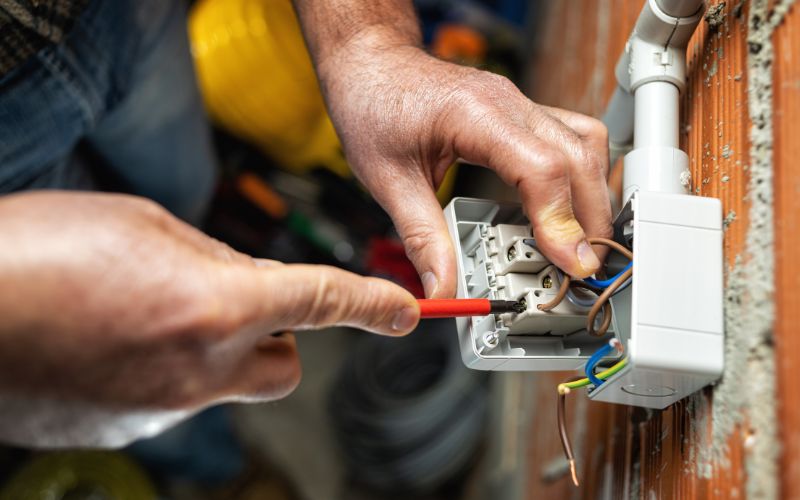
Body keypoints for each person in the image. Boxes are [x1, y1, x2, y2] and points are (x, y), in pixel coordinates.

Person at [0, 0, 612, 447]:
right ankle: (218, 465)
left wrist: (366, 42)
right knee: (143, 363)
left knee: (182, 202)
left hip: (116, 17)